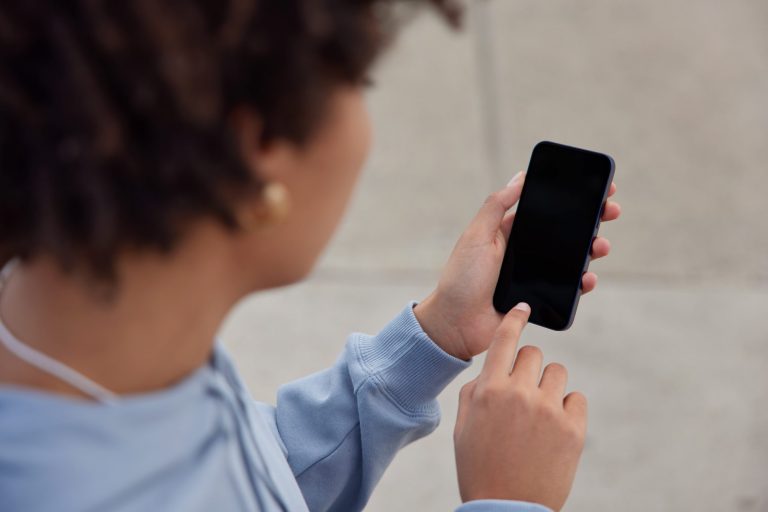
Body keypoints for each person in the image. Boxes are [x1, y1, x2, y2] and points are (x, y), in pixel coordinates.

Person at [0, 1, 621, 511]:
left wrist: (432, 340)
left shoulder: (103, 352)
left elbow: (262, 480)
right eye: (356, 82)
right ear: (260, 147)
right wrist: (505, 503)